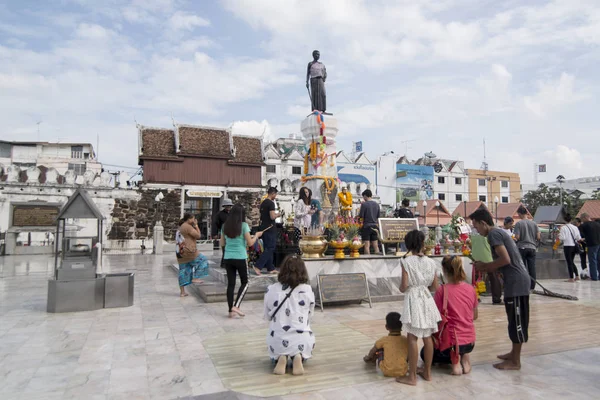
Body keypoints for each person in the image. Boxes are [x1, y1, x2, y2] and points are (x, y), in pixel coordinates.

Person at [469, 208, 530, 370]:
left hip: (517, 283)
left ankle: (515, 361)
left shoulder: (493, 234)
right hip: (515, 282)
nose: (476, 230)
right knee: (513, 320)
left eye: (476, 226)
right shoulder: (497, 233)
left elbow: (505, 259)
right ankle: (513, 353)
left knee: (517, 321)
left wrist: (486, 266)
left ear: (483, 223)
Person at [396, 230, 441, 386]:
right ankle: (427, 373)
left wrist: (402, 289)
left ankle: (412, 376)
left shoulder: (406, 262)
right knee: (427, 337)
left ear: (408, 244)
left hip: (413, 298)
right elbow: (435, 286)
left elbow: (404, 285)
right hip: (427, 298)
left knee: (412, 337)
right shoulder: (431, 262)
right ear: (422, 243)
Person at [424, 256, 478, 376]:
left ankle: (456, 362)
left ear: (444, 271)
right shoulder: (471, 289)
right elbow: (474, 316)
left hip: (452, 342)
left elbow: (436, 317)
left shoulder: (442, 290)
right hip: (470, 341)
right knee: (462, 339)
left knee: (425, 353)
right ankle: (465, 355)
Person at [264, 256, 316, 376]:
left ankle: (281, 356)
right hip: (302, 338)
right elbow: (309, 315)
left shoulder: (271, 289)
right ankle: (298, 355)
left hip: (277, 338)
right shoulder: (307, 290)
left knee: (278, 339)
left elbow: (267, 315)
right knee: (302, 338)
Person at [221, 204, 263, 318]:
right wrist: (257, 236)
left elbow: (222, 243)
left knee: (231, 284)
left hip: (228, 257)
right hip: (240, 257)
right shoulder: (244, 226)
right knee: (245, 282)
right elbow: (250, 243)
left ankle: (230, 310)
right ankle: (236, 305)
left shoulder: (225, 226)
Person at [363, 312, 408, 378]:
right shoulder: (405, 339)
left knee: (380, 349)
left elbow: (373, 350)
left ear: (386, 327)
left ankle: (372, 360)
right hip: (403, 371)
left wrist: (369, 357)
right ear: (402, 327)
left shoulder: (384, 339)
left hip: (386, 370)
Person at [176, 213, 209, 297]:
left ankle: (182, 292)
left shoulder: (181, 226)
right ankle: (196, 277)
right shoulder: (187, 226)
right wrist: (196, 226)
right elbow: (198, 236)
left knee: (183, 271)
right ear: (189, 219)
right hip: (189, 250)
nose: (194, 220)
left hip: (180, 252)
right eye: (193, 219)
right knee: (203, 260)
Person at [256, 187, 282, 275]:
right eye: (275, 194)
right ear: (273, 193)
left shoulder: (263, 203)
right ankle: (258, 266)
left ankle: (270, 267)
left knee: (267, 248)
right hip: (270, 227)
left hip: (264, 227)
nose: (275, 196)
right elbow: (272, 216)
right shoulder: (271, 203)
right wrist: (279, 214)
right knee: (270, 247)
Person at [513, 206, 540, 290]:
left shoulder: (519, 224)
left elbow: (517, 237)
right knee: (532, 267)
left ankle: (524, 285)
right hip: (532, 248)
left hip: (522, 248)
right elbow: (538, 237)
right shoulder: (534, 223)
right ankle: (532, 286)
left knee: (523, 267)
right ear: (527, 214)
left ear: (520, 214)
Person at [559, 214, 582, 282]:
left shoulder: (563, 228)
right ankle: (577, 276)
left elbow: (562, 238)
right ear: (571, 220)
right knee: (572, 261)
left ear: (564, 220)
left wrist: (558, 236)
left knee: (569, 262)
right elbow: (578, 237)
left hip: (567, 246)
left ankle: (571, 278)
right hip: (574, 246)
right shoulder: (575, 227)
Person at [212, 198, 233, 268]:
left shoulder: (233, 214)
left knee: (231, 249)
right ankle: (224, 264)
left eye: (229, 206)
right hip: (224, 234)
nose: (228, 207)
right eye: (227, 206)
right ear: (224, 206)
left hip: (233, 233)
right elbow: (215, 224)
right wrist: (215, 234)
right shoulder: (220, 214)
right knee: (225, 249)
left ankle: (229, 263)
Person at [359, 189, 380, 255]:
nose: (363, 198)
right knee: (376, 246)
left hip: (366, 227)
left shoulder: (364, 204)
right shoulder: (377, 204)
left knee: (366, 246)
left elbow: (361, 216)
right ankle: (377, 260)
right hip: (375, 227)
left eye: (363, 197)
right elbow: (378, 216)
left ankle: (367, 261)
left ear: (365, 196)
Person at [580, 213, 600, 281]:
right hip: (598, 244)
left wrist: (582, 239)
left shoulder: (584, 225)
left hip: (591, 244)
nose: (582, 221)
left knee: (592, 261)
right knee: (598, 260)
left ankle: (594, 277)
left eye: (582, 219)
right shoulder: (597, 224)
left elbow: (580, 234)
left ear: (585, 217)